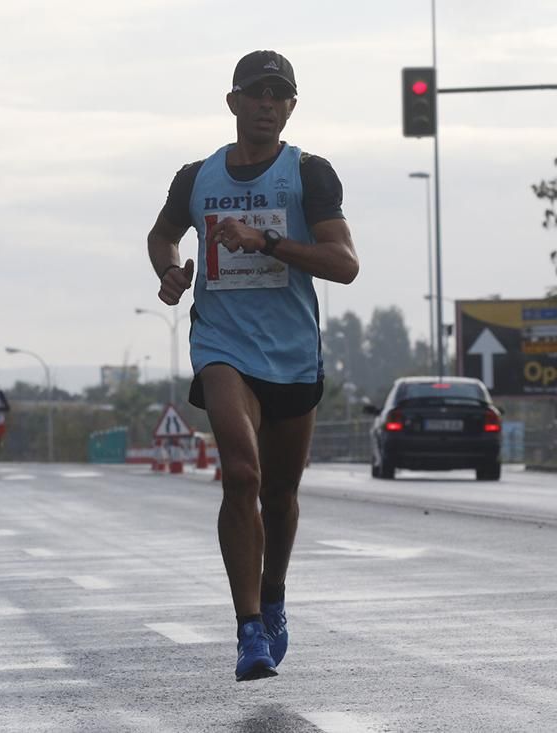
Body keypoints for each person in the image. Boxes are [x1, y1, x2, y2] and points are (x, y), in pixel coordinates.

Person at [145, 50, 359, 681]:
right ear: (233, 102)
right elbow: (162, 235)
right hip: (223, 346)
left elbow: (343, 264)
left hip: (292, 354)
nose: (267, 103)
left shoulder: (309, 174)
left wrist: (265, 241)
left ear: (291, 107)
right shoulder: (197, 178)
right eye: (256, 93)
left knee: (280, 494)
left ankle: (273, 600)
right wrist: (171, 273)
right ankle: (247, 630)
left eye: (280, 94)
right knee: (240, 474)